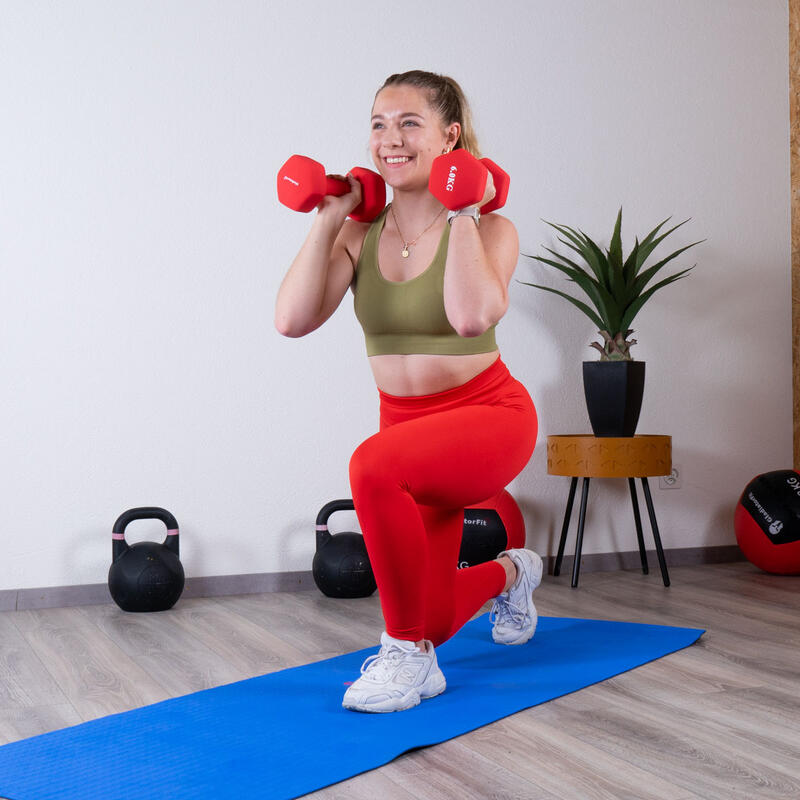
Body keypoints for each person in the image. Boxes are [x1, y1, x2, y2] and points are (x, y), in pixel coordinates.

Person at [275, 70, 542, 713]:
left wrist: (464, 210)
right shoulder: (359, 235)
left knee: (370, 465)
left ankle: (405, 659)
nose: (389, 138)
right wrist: (330, 214)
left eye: (409, 123)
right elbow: (292, 319)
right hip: (409, 435)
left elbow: (472, 317)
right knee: (434, 617)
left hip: (489, 418)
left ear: (450, 136)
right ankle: (513, 573)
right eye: (378, 124)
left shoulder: (489, 229)